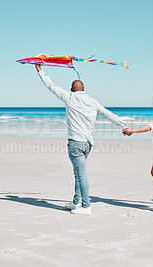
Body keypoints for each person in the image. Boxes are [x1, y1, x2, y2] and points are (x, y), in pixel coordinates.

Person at [34, 64, 129, 215]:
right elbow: (108, 114)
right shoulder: (92, 101)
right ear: (83, 90)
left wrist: (40, 70)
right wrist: (123, 125)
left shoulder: (69, 97)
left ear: (72, 90)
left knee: (80, 174)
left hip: (76, 143)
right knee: (78, 172)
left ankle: (86, 206)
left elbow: (51, 86)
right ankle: (76, 201)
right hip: (88, 144)